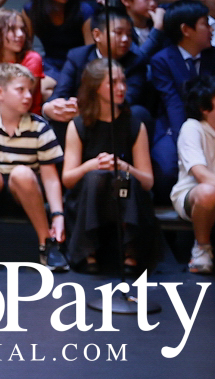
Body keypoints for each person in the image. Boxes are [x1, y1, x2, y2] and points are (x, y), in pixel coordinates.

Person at [0, 62, 69, 270]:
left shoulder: (39, 127)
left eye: (30, 91)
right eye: (20, 90)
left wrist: (58, 215)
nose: (28, 96)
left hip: (25, 193)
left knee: (21, 173)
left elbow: (50, 178)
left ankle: (47, 244)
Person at [61, 58, 158, 273]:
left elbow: (148, 181)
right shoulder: (78, 125)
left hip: (122, 196)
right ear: (96, 87)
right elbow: (68, 178)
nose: (122, 88)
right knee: (96, 177)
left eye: (123, 81)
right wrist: (91, 165)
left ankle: (131, 253)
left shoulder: (134, 124)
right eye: (113, 82)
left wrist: (125, 166)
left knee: (123, 179)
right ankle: (88, 252)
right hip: (90, 194)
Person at [145, 0, 215, 183]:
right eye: (205, 23)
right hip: (176, 125)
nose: (211, 29)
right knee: (167, 173)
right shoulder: (162, 60)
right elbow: (172, 102)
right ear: (186, 30)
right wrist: (188, 140)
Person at [172, 77, 215, 274]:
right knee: (208, 192)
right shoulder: (192, 128)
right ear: (204, 108)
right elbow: (201, 175)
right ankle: (201, 248)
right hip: (194, 196)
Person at [28, 0, 89, 91]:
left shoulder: (84, 11)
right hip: (50, 65)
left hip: (78, 67)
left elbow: (90, 53)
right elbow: (26, 48)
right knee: (39, 90)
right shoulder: (31, 10)